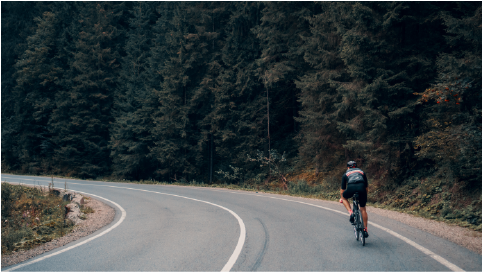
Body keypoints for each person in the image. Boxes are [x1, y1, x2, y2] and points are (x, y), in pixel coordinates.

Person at [340, 161, 369, 237]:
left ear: (348, 167)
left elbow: (342, 190)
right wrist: (364, 195)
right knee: (363, 209)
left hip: (351, 187)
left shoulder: (345, 174)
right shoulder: (362, 172)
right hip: (362, 188)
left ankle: (351, 212)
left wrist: (342, 198)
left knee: (343, 197)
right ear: (356, 166)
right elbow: (366, 187)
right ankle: (365, 229)